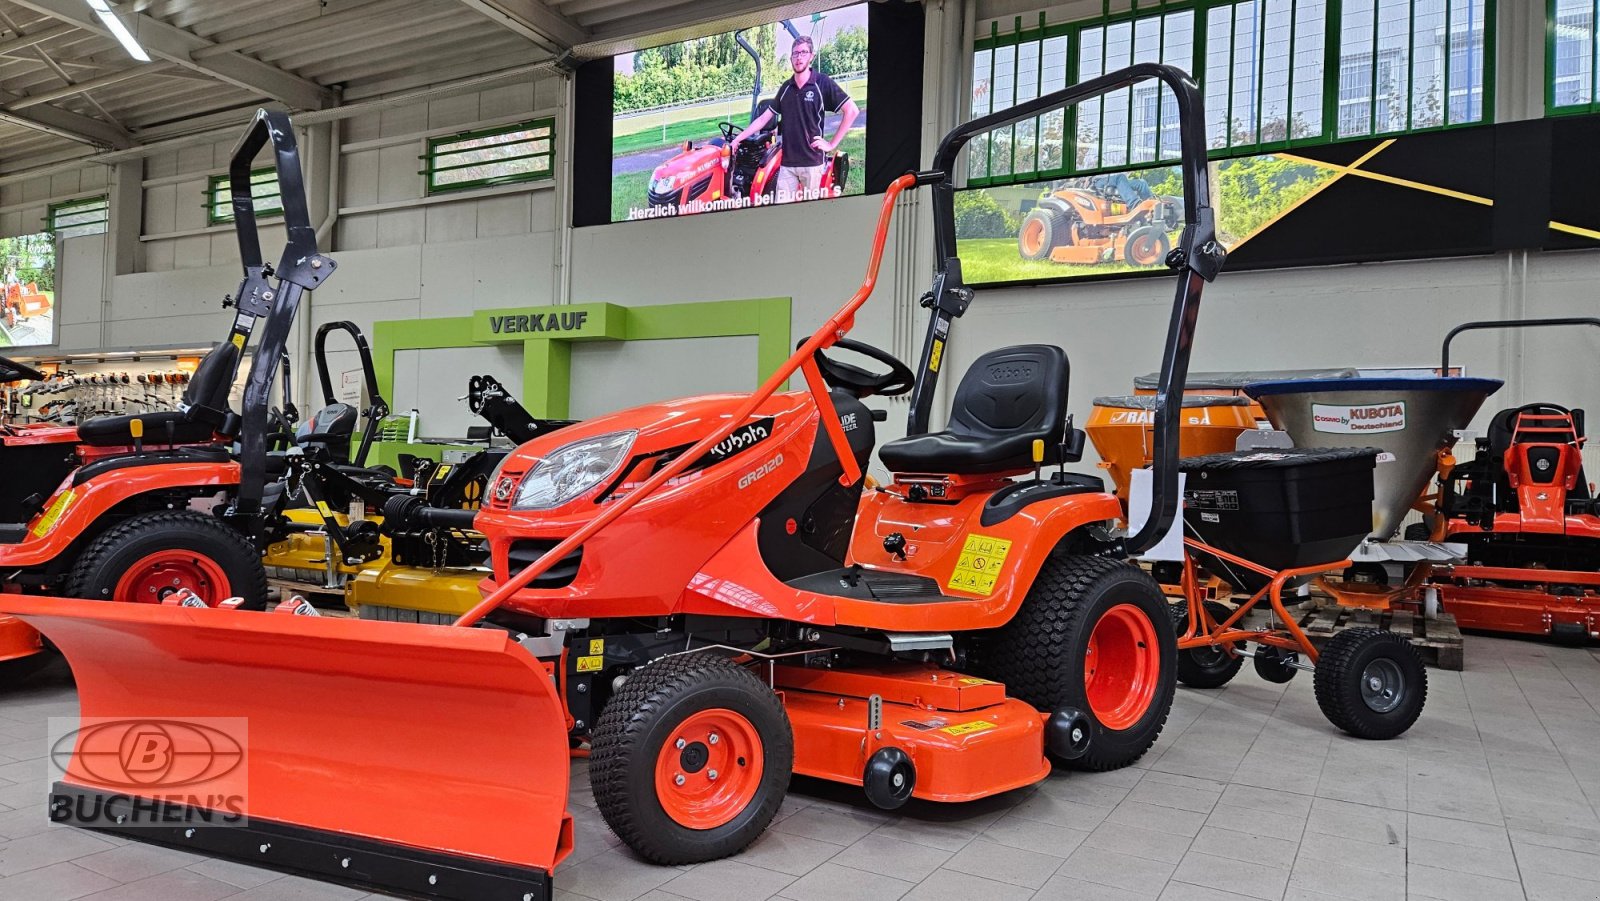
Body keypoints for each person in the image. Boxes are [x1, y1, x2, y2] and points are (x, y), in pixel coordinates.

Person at [733, 35, 860, 203]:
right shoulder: (786, 88)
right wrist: (737, 139)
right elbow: (763, 119)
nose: (799, 57)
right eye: (795, 54)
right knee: (783, 213)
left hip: (812, 164)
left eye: (803, 52)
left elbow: (851, 110)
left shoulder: (822, 83)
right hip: (787, 165)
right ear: (791, 58)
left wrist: (831, 144)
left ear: (811, 56)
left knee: (810, 215)